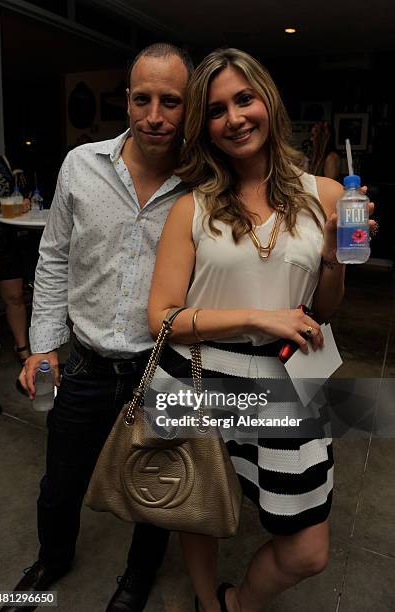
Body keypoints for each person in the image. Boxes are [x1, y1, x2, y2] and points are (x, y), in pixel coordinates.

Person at [148, 48, 375, 612]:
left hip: (286, 381)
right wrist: (256, 316)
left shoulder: (325, 194)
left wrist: (332, 257)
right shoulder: (191, 208)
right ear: (206, 126)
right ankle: (206, 600)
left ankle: (239, 603)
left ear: (268, 102)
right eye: (218, 109)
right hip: (197, 377)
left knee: (307, 548)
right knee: (194, 505)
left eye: (244, 99)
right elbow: (162, 318)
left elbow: (323, 311)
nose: (235, 118)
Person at [2, 43, 192, 612]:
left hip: (159, 368)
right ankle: (53, 557)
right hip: (82, 363)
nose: (154, 114)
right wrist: (42, 347)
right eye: (142, 98)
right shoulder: (80, 165)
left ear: (188, 106)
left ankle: (136, 579)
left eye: (171, 101)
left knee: (155, 487)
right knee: (58, 485)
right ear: (126, 100)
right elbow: (54, 258)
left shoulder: (202, 184)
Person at [0, 137, 30, 369]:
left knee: (14, 296)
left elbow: (22, 194)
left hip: (6, 241)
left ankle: (21, 345)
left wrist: (24, 203)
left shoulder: (3, 162)